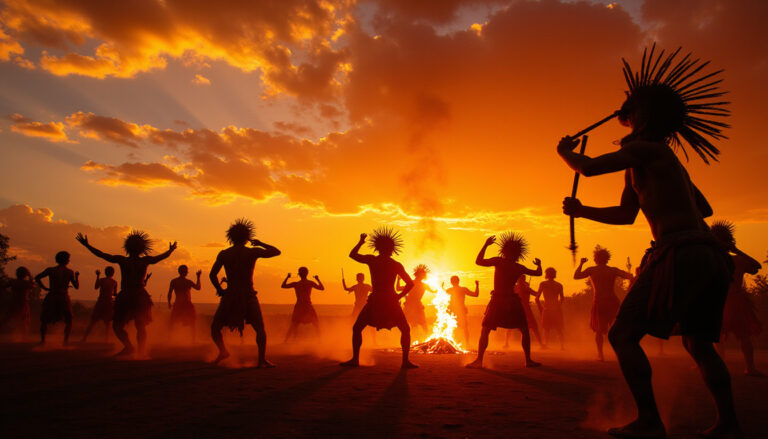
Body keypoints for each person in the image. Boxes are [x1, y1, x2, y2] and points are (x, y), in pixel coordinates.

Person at [558, 45, 739, 437]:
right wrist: (583, 211)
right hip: (708, 256)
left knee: (622, 334)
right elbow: (631, 215)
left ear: (644, 115)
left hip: (680, 252)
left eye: (632, 106)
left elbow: (588, 168)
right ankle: (728, 424)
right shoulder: (658, 159)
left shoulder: (646, 149)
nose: (625, 110)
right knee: (698, 344)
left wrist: (565, 153)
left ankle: (651, 421)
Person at [76, 231, 177, 356]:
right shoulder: (144, 261)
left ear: (127, 247)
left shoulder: (123, 260)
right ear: (142, 248)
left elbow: (102, 255)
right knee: (139, 326)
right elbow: (160, 257)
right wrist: (171, 250)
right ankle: (138, 351)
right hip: (138, 295)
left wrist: (87, 245)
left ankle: (131, 348)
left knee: (120, 326)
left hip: (128, 295)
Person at [340, 228, 418, 369]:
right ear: (392, 249)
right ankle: (405, 361)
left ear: (377, 247)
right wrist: (398, 296)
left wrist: (361, 242)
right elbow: (410, 284)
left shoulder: (373, 260)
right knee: (405, 329)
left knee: (357, 328)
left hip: (376, 300)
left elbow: (352, 255)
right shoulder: (395, 264)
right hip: (389, 301)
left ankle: (355, 359)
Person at [209, 219, 281, 366]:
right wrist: (260, 243)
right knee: (259, 328)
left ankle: (223, 351)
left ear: (231, 237)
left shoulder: (224, 254)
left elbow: (212, 275)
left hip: (230, 295)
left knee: (215, 328)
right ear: (247, 237)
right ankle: (261, 359)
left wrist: (220, 290)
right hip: (248, 294)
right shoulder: (252, 252)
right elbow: (276, 252)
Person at [466, 233, 542, 369]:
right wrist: (539, 265)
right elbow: (538, 273)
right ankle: (528, 360)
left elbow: (479, 261)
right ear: (518, 253)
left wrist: (486, 245)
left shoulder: (499, 262)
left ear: (504, 251)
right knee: (523, 330)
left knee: (486, 330)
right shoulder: (518, 267)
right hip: (511, 301)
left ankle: (479, 360)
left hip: (499, 301)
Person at [711, 220, 763, 376]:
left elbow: (757, 266)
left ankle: (748, 367)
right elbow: (756, 266)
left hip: (726, 302)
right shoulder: (731, 260)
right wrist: (737, 250)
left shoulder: (716, 260)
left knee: (729, 336)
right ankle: (749, 367)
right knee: (729, 336)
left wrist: (735, 250)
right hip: (727, 302)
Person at [574, 246, 632, 361]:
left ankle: (601, 354)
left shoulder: (593, 270)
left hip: (602, 302)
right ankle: (612, 354)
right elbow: (629, 276)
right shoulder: (612, 270)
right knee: (612, 330)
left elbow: (576, 276)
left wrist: (581, 264)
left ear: (596, 258)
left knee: (600, 330)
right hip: (609, 302)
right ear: (607, 258)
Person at [35, 251, 79, 345]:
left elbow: (37, 277)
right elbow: (76, 286)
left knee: (45, 319)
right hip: (63, 297)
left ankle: (43, 340)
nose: (69, 260)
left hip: (52, 296)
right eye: (68, 259)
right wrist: (77, 277)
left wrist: (45, 288)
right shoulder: (69, 272)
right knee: (69, 319)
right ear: (66, 260)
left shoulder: (51, 270)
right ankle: (65, 341)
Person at [281, 267, 323, 341]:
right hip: (307, 305)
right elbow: (322, 288)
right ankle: (320, 340)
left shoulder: (296, 284)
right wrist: (317, 279)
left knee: (293, 325)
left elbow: (283, 286)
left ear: (299, 274)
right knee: (316, 324)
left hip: (300, 306)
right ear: (307, 274)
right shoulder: (310, 283)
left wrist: (287, 277)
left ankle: (286, 341)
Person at [82, 267, 118, 342]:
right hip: (108, 302)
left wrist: (98, 276)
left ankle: (84, 338)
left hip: (101, 301)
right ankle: (106, 339)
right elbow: (115, 294)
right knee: (107, 323)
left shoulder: (102, 280)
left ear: (105, 272)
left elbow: (96, 287)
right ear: (113, 273)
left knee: (93, 322)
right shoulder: (114, 282)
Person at [167, 265, 201, 343]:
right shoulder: (186, 282)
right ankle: (192, 340)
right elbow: (198, 287)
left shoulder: (175, 281)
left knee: (173, 323)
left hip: (183, 304)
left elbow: (169, 293)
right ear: (185, 272)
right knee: (191, 324)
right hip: (183, 304)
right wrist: (198, 277)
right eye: (186, 271)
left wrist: (169, 303)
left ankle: (192, 340)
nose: (186, 272)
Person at [398, 264, 434, 335]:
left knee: (422, 323)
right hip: (410, 305)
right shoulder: (412, 283)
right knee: (412, 324)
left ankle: (426, 336)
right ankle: (412, 337)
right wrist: (398, 280)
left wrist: (440, 288)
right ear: (418, 274)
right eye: (422, 274)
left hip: (415, 305)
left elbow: (433, 291)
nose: (423, 276)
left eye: (423, 274)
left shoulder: (424, 285)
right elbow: (398, 288)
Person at [535, 268, 565, 350]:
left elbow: (537, 298)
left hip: (547, 308)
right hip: (555, 308)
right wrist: (558, 306)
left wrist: (540, 307)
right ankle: (562, 346)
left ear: (547, 274)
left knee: (547, 328)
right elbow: (562, 298)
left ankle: (546, 344)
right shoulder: (559, 285)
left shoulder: (543, 284)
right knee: (558, 328)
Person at [0, 266, 34, 338]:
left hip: (14, 302)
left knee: (6, 318)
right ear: (25, 274)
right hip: (23, 303)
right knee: (24, 320)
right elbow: (32, 285)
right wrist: (30, 276)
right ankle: (24, 336)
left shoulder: (13, 281)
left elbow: (3, 287)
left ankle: (23, 336)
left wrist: (7, 293)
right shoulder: (26, 283)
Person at [445, 275, 479, 345]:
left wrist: (442, 288)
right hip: (457, 311)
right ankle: (465, 343)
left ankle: (462, 343)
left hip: (455, 311)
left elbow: (475, 295)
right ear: (458, 281)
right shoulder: (461, 289)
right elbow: (476, 294)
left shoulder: (449, 290)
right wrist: (477, 286)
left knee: (457, 327)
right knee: (463, 328)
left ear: (451, 282)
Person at [513, 275, 544, 348]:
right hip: (524, 309)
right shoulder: (524, 287)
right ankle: (540, 344)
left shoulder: (515, 287)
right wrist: (539, 290)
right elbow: (536, 294)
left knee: (526, 327)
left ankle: (540, 344)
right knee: (533, 327)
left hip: (519, 309)